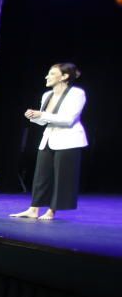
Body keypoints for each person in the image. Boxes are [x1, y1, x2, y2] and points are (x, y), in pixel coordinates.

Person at [11, 62, 88, 220]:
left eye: (52, 74)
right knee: (41, 175)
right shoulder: (47, 95)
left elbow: (68, 120)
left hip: (69, 140)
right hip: (48, 139)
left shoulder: (76, 93)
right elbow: (44, 121)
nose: (47, 76)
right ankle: (33, 209)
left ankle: (51, 211)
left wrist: (42, 115)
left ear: (64, 76)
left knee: (61, 177)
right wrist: (34, 116)